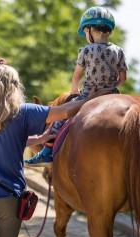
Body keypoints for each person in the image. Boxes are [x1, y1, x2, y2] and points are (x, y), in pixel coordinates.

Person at [0, 64, 105, 237]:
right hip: (9, 195)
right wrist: (90, 98)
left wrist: (38, 138)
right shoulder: (24, 112)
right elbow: (65, 111)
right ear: (16, 86)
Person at [25, 6, 128, 166]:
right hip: (112, 94)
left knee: (59, 120)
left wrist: (74, 91)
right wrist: (111, 88)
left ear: (90, 30)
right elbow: (123, 78)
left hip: (88, 95)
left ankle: (46, 152)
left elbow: (77, 75)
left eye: (86, 31)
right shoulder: (118, 51)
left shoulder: (85, 50)